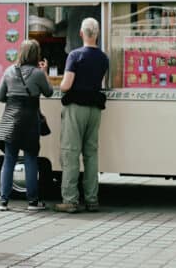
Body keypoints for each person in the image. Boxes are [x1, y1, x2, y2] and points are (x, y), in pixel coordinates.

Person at [0, 39, 53, 211]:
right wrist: (45, 72)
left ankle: (3, 201)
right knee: (31, 158)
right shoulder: (38, 74)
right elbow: (49, 92)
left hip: (11, 121)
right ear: (36, 55)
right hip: (31, 121)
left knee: (9, 159)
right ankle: (32, 202)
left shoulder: (9, 71)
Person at [54, 17, 109, 213]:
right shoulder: (103, 58)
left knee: (70, 152)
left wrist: (59, 83)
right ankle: (92, 199)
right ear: (98, 34)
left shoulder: (75, 55)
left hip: (76, 108)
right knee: (91, 154)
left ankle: (70, 200)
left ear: (80, 34)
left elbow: (66, 85)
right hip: (95, 109)